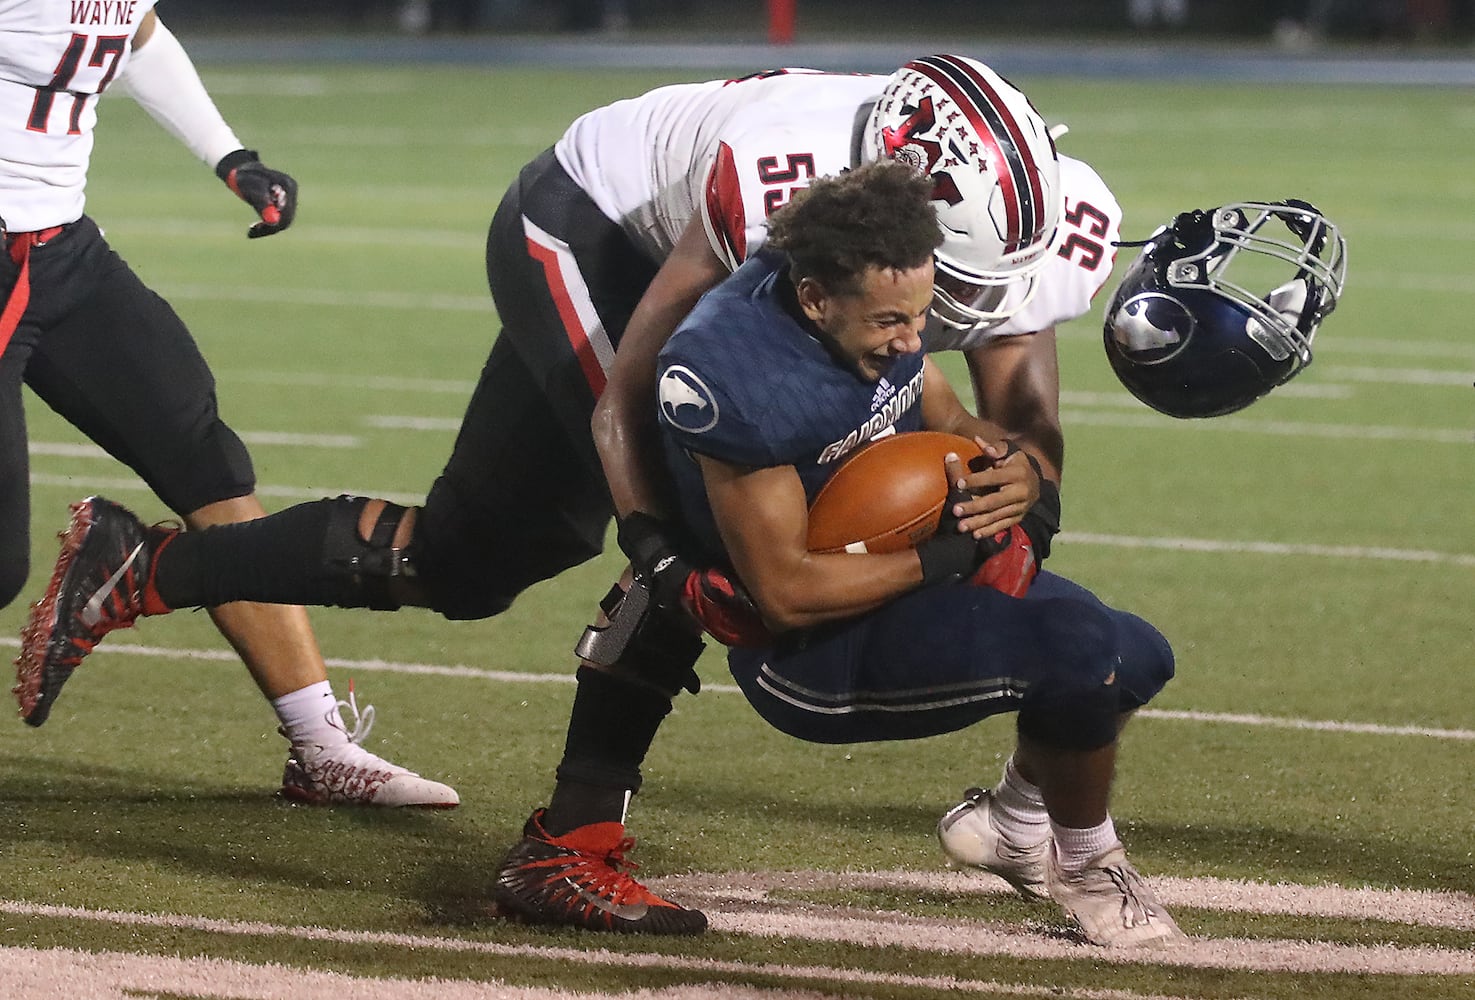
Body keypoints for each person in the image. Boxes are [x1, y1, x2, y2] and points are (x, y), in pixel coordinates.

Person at [18, 56, 1115, 922]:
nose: (971, 311)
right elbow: (633, 388)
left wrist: (1022, 487)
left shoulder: (1042, 224)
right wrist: (652, 537)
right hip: (596, 229)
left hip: (745, 267)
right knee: (710, 535)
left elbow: (1024, 436)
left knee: (472, 560)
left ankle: (148, 563)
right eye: (950, 282)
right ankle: (568, 845)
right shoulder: (781, 181)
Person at [639, 160, 1182, 947]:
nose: (910, 337)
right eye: (891, 322)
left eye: (920, 316)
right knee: (1079, 651)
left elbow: (945, 408)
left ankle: (1016, 824)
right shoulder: (737, 373)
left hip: (904, 588)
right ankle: (1087, 866)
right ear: (815, 298)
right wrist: (945, 561)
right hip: (812, 655)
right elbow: (785, 591)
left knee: (1138, 657)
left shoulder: (865, 301)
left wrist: (1013, 472)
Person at [1, 5, 456, 807]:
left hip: (62, 251)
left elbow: (135, 32)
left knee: (208, 464)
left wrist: (229, 156)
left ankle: (321, 747)